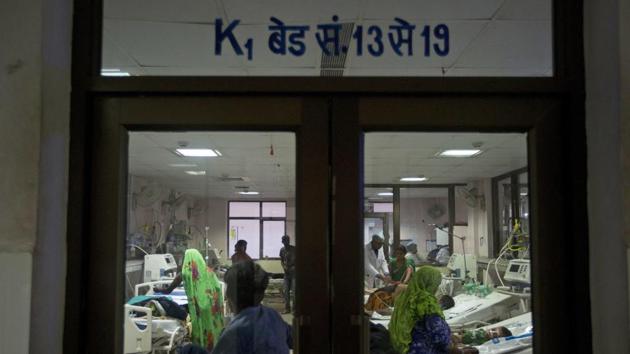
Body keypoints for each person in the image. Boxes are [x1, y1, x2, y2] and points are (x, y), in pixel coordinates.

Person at [389, 266, 478, 354]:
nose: (436, 288)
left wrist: (450, 336)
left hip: (404, 349)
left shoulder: (404, 298)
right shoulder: (426, 302)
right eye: (436, 285)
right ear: (429, 283)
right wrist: (458, 350)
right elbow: (439, 336)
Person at [212, 260, 293, 354]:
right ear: (261, 295)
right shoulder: (272, 316)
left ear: (230, 296)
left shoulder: (234, 333)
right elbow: (293, 338)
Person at [156, 249, 224, 352]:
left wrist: (159, 291)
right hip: (211, 308)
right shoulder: (210, 273)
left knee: (201, 331)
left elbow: (168, 290)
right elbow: (218, 290)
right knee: (212, 330)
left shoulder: (186, 272)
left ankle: (200, 349)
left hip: (198, 310)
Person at [279, 235, 296, 314]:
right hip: (286, 274)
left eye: (287, 240)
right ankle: (287, 308)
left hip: (294, 274)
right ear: (282, 241)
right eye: (284, 240)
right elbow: (282, 261)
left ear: (289, 241)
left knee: (295, 292)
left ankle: (295, 309)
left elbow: (299, 260)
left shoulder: (294, 249)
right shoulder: (282, 250)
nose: (285, 242)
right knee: (286, 291)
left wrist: (294, 267)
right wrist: (284, 267)